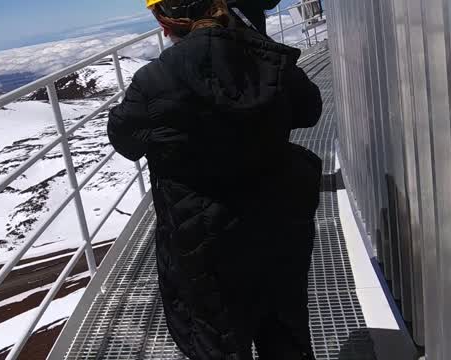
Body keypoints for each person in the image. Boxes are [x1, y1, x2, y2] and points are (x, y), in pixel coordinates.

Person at [108, 0, 323, 359]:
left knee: (216, 340)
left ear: (165, 22)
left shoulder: (153, 81)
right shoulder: (266, 57)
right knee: (285, 333)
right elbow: (309, 110)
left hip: (202, 238)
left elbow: (124, 140)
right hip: (279, 223)